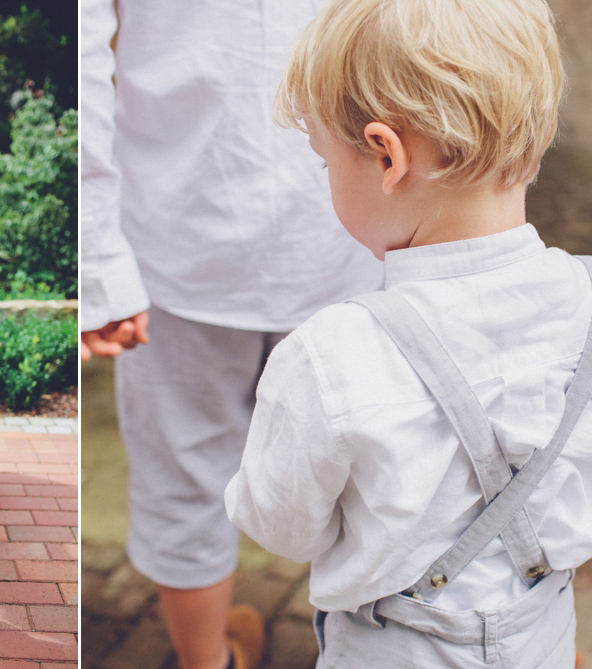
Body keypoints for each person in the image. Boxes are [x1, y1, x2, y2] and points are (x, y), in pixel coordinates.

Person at [224, 0, 585, 665]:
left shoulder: (330, 355)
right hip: (545, 636)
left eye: (323, 160)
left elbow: (280, 524)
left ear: (386, 156)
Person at [80, 2, 384, 668]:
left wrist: (100, 255)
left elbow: (83, 43)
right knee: (374, 476)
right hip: (351, 215)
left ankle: (209, 661)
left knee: (184, 476)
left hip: (181, 216)